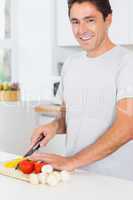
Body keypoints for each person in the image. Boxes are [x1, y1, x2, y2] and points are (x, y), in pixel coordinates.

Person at [29, 0, 133, 180]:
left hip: (116, 181)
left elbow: (128, 126)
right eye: (75, 21)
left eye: (90, 20)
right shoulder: (71, 64)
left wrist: (72, 161)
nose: (81, 29)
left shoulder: (126, 63)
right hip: (75, 176)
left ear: (108, 19)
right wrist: (54, 126)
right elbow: (69, 115)